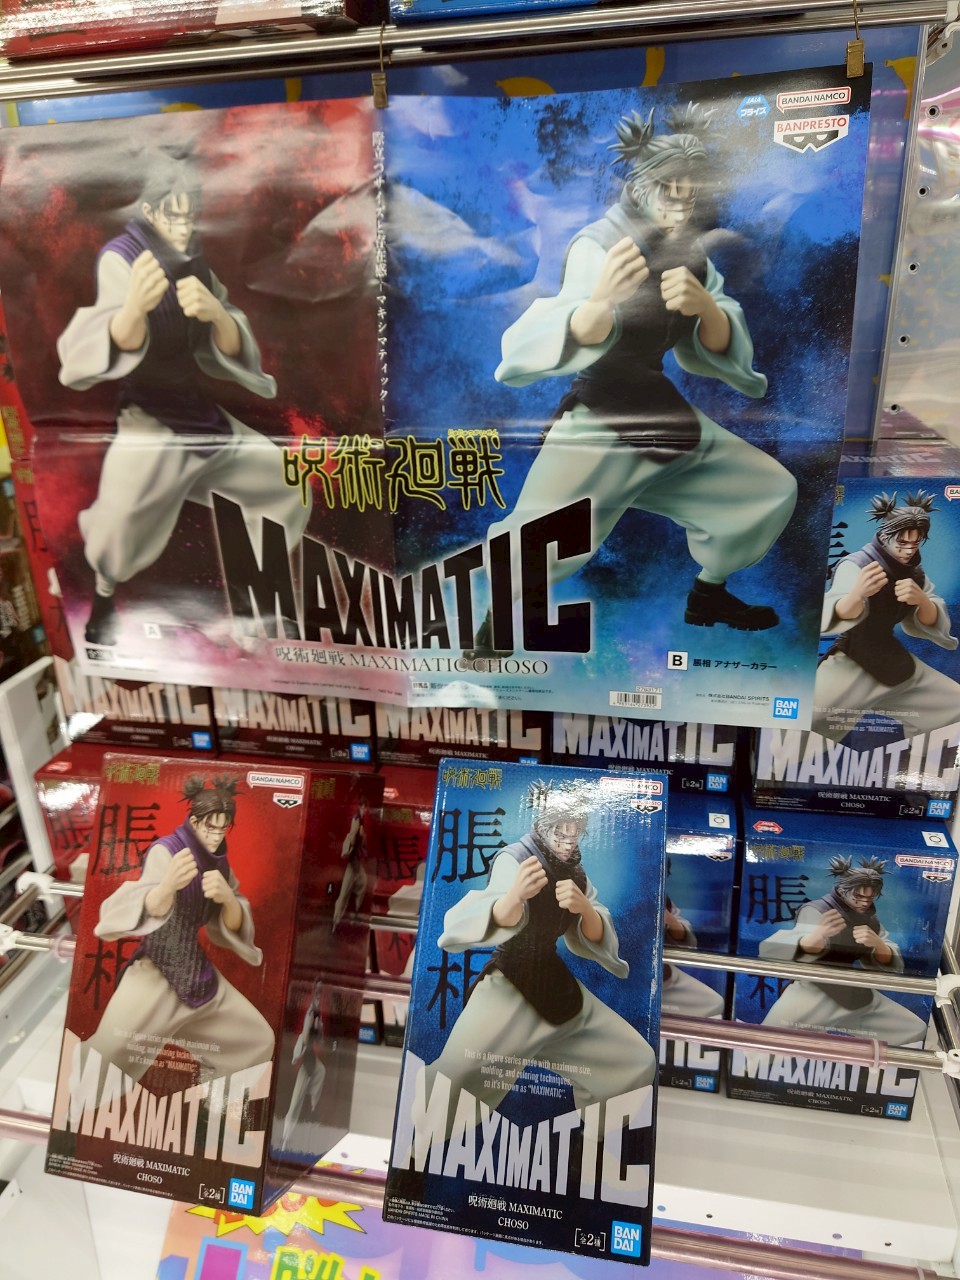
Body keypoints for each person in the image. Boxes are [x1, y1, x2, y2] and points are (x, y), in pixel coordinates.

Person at [468, 104, 795, 657]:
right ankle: (494, 624)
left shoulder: (693, 253)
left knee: (767, 489)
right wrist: (599, 304)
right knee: (544, 532)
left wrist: (704, 308)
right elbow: (552, 328)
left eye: (690, 194)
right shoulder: (600, 244)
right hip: (602, 415)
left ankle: (708, 596)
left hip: (661, 412)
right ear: (642, 187)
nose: (680, 204)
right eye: (670, 191)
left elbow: (720, 340)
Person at [56, 148, 310, 646]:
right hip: (149, 420)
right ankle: (104, 600)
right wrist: (134, 309)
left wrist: (215, 313)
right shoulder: (122, 258)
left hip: (200, 415)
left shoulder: (194, 258)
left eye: (189, 213)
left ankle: (256, 598)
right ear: (150, 210)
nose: (183, 224)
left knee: (286, 481)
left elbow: (231, 340)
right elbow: (101, 345)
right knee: (119, 535)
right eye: (173, 213)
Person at [398, 783, 656, 1152]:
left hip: (555, 985)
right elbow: (477, 915)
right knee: (456, 1072)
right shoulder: (516, 858)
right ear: (545, 825)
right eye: (561, 832)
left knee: (635, 1060)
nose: (568, 841)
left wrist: (585, 909)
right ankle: (414, 1153)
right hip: (510, 984)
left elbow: (598, 932)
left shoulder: (576, 872)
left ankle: (589, 1147)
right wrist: (514, 897)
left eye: (575, 833)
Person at [77, 774, 275, 1096]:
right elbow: (136, 906)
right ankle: (73, 1111)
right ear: (194, 822)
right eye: (209, 826)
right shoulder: (167, 852)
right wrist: (167, 887)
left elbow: (232, 924)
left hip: (197, 973)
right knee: (107, 1055)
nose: (215, 835)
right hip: (156, 970)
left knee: (257, 1040)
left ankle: (216, 1108)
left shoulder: (220, 865)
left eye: (222, 828)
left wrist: (227, 899)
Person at [814, 490, 960, 741]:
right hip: (852, 661)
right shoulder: (856, 565)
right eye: (902, 542)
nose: (908, 550)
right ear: (885, 536)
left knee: (955, 705)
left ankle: (919, 762)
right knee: (805, 723)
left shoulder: (916, 574)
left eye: (915, 543)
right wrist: (857, 595)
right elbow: (833, 613)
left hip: (893, 660)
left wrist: (922, 601)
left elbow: (932, 621)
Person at [759, 855, 926, 1046]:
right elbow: (768, 950)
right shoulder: (817, 911)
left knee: (914, 1029)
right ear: (842, 890)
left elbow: (894, 963)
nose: (864, 903)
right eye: (858, 897)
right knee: (766, 1044)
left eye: (870, 898)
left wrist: (878, 945)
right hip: (813, 992)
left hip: (855, 992)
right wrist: (814, 939)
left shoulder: (871, 920)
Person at [279, 977, 328, 1150]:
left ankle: (313, 1104)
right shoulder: (310, 1013)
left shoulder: (318, 1015)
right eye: (318, 990)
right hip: (305, 1059)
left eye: (321, 991)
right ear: (315, 991)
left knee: (321, 1071)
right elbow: (306, 1039)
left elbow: (320, 1041)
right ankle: (285, 1138)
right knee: (295, 1104)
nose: (319, 995)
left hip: (311, 1059)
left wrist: (320, 1029)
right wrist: (313, 1027)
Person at [662, 894, 724, 1019]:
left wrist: (668, 919)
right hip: (630, 979)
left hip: (665, 977)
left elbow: (688, 944)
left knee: (714, 1003)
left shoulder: (660, 896)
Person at [332, 793, 370, 929]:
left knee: (362, 883)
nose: (365, 809)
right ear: (361, 806)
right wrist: (358, 836)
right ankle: (336, 921)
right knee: (344, 894)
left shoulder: (360, 819)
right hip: (353, 862)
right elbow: (353, 838)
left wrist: (362, 837)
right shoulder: (357, 819)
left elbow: (360, 841)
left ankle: (353, 914)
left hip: (356, 862)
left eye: (365, 807)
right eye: (363, 807)